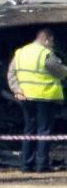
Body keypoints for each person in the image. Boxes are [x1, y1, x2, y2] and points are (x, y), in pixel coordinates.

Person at [8, 29, 67, 173]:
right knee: (44, 131)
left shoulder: (20, 52)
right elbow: (58, 70)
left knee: (29, 130)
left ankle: (26, 165)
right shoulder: (45, 54)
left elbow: (11, 73)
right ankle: (42, 165)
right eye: (51, 42)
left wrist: (16, 89)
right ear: (46, 39)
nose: (52, 45)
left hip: (26, 97)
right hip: (45, 97)